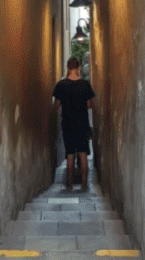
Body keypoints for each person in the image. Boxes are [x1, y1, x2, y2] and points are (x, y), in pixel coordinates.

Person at [53, 56, 95, 192]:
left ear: (67, 68)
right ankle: (84, 184)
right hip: (82, 124)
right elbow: (90, 105)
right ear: (78, 68)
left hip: (68, 124)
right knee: (83, 155)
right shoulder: (85, 85)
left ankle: (69, 184)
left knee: (70, 154)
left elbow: (56, 105)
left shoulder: (61, 85)